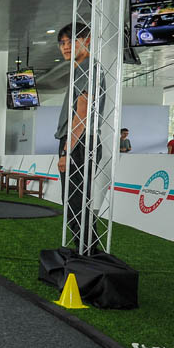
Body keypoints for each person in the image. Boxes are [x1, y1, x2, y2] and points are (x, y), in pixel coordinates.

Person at [54, 22, 105, 255]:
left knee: (75, 202)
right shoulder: (80, 69)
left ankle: (89, 253)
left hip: (79, 142)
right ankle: (86, 251)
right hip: (78, 142)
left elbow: (82, 114)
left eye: (72, 41)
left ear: (87, 40)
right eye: (62, 42)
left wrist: (67, 150)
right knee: (75, 202)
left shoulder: (87, 69)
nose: (66, 46)